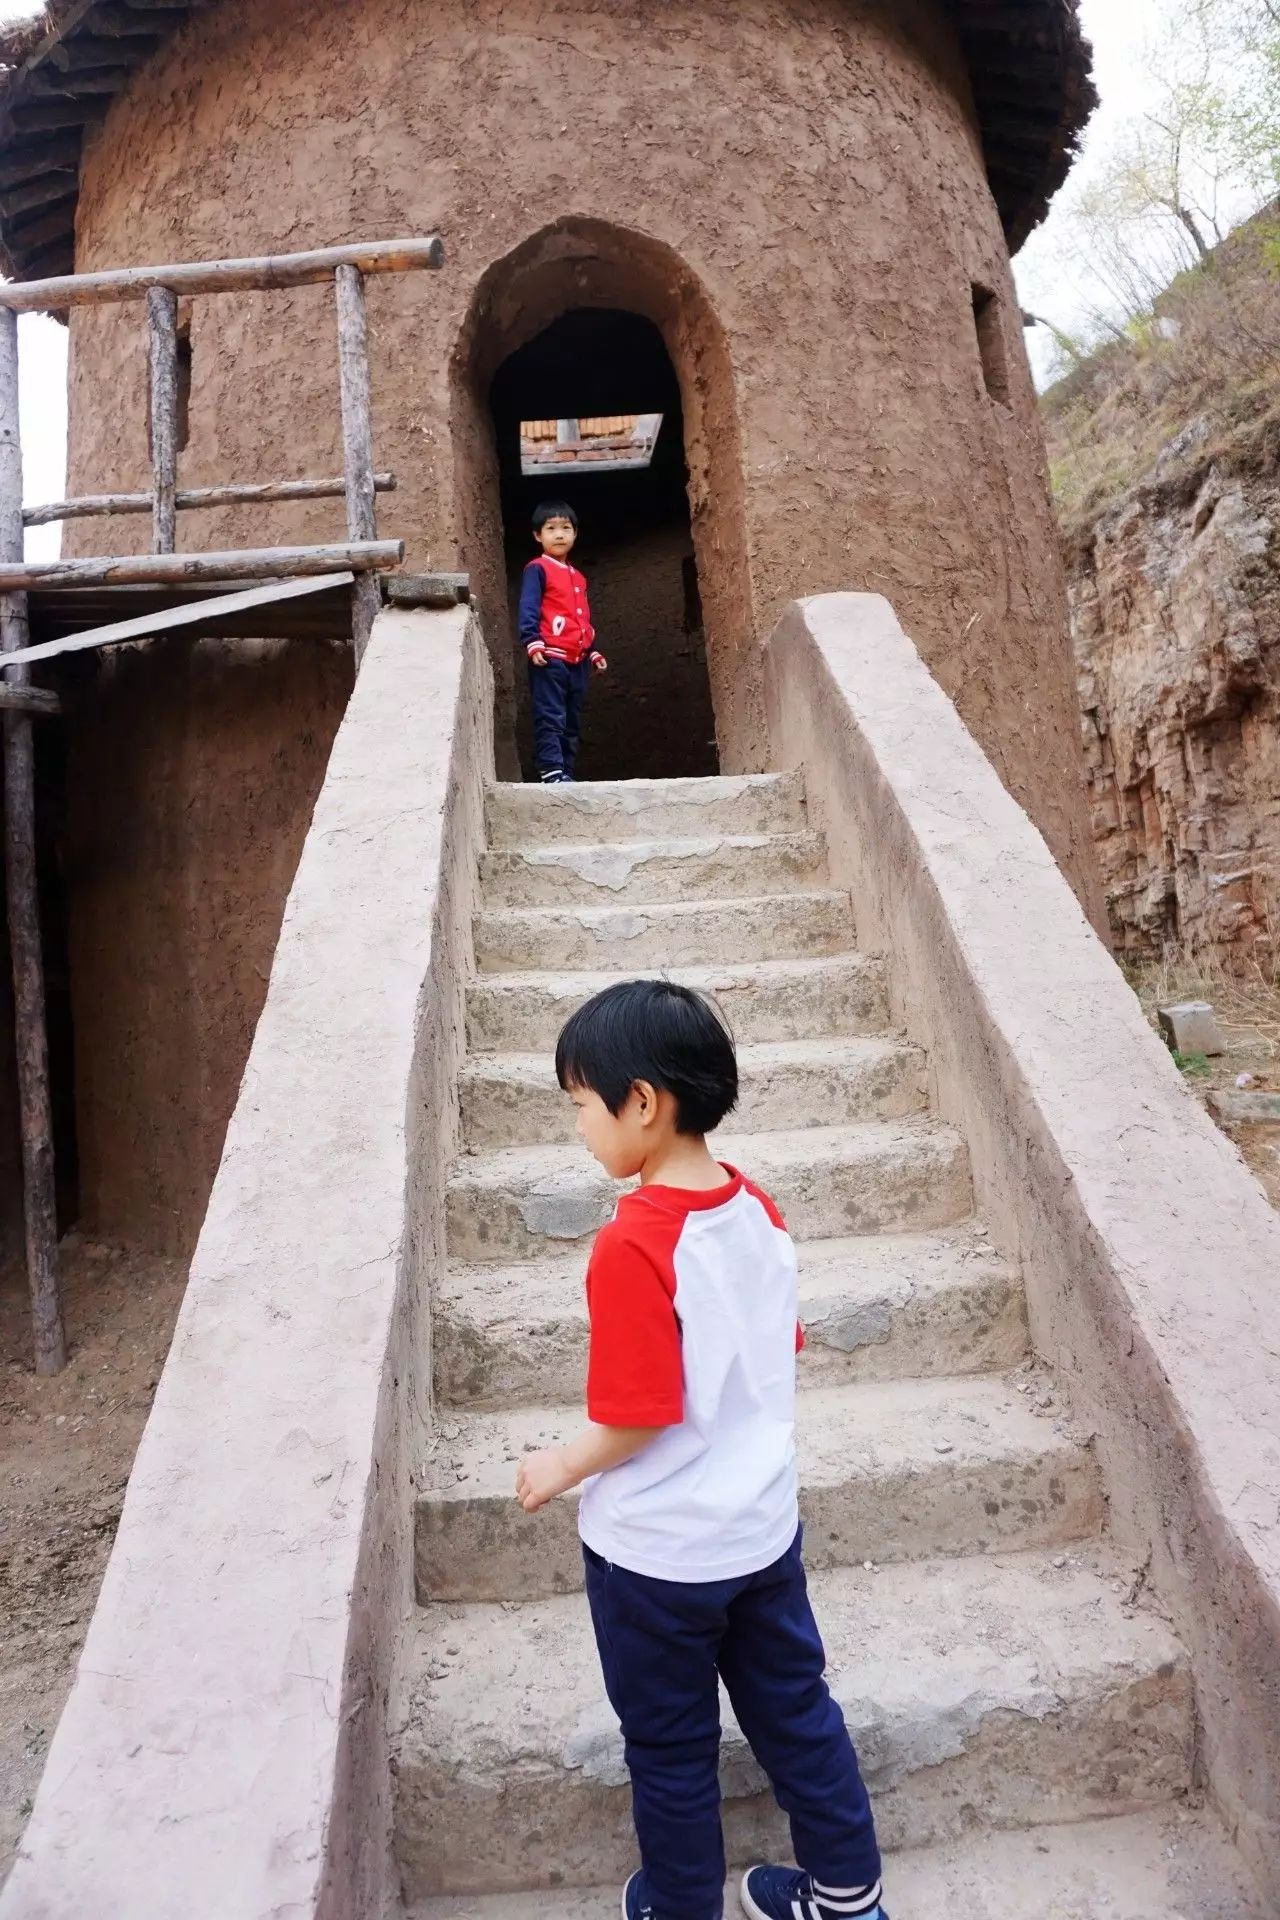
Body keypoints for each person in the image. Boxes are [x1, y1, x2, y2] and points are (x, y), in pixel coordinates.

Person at [515, 980, 887, 1920]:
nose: (581, 1131)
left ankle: (685, 1905)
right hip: (760, 1536)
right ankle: (848, 1896)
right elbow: (771, 1351)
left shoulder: (633, 1243)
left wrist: (560, 1464)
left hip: (656, 1557)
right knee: (800, 1717)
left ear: (642, 1101)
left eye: (580, 1108)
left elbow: (639, 1412)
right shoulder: (756, 1207)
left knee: (672, 1748)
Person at [518, 499, 607, 785]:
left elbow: (580, 620)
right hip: (550, 658)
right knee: (551, 715)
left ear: (575, 533)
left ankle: (566, 771)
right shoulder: (537, 569)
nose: (559, 534)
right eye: (551, 528)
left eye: (566, 528)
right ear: (537, 535)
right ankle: (551, 771)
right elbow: (529, 607)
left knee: (571, 719)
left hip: (577, 661)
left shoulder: (578, 577)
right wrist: (532, 641)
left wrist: (592, 651)